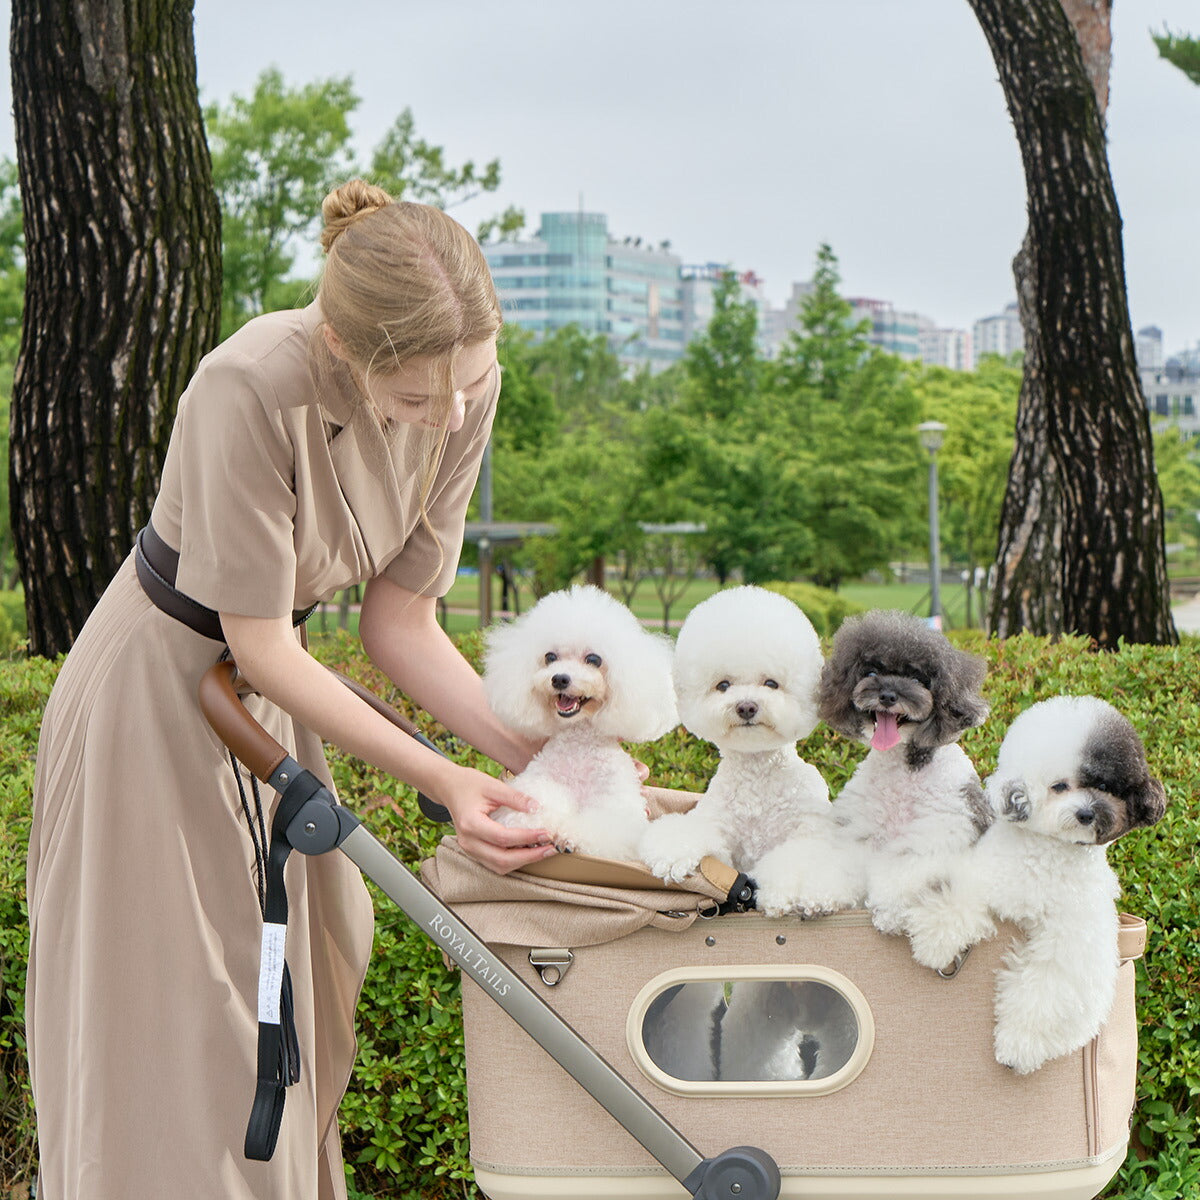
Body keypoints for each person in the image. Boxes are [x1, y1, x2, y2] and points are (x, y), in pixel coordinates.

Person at [25, 180, 558, 1200]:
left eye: (467, 386)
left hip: (266, 707)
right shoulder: (249, 386)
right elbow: (260, 645)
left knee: (302, 991)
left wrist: (536, 759)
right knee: (184, 1029)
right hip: (156, 696)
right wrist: (449, 783)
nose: (446, 417)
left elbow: (399, 622)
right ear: (349, 352)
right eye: (415, 402)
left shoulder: (460, 380)